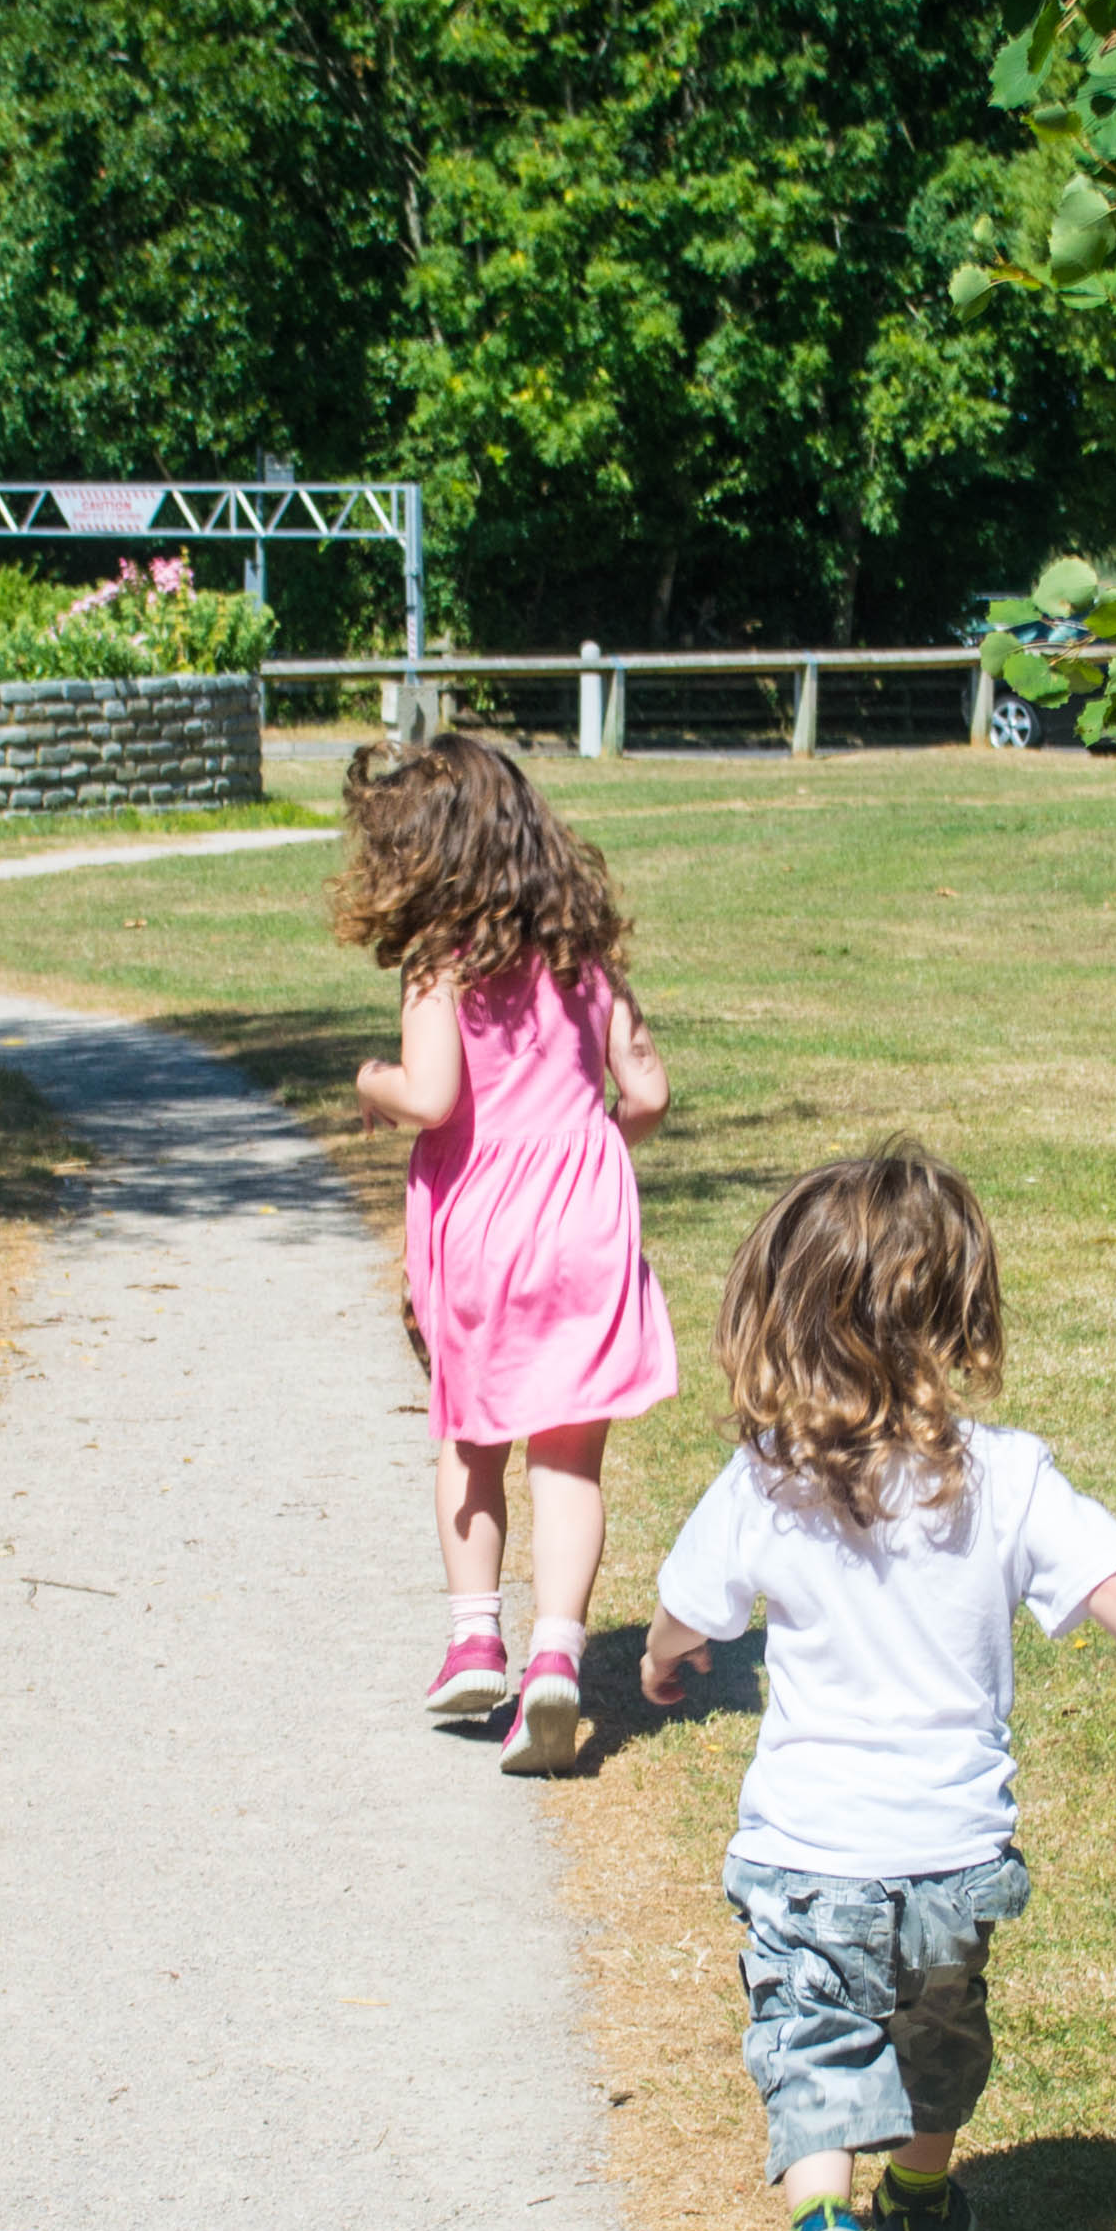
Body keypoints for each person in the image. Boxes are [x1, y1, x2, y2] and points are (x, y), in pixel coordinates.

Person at [642, 1143, 1116, 2231]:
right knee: (936, 2037)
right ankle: (921, 2215)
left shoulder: (765, 1474)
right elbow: (1115, 1587)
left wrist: (667, 1660)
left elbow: (680, 1611)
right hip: (948, 1849)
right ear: (955, 1315)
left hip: (808, 1848)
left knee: (810, 2038)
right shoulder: (1005, 1475)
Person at [339, 730, 678, 1772]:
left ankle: (475, 1635)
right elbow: (649, 1094)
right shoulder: (586, 960)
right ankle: (558, 1659)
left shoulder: (440, 965)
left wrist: (368, 1082)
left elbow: (432, 1095)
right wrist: (592, 1154)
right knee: (568, 1455)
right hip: (583, 1225)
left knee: (470, 1434)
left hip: (483, 1228)